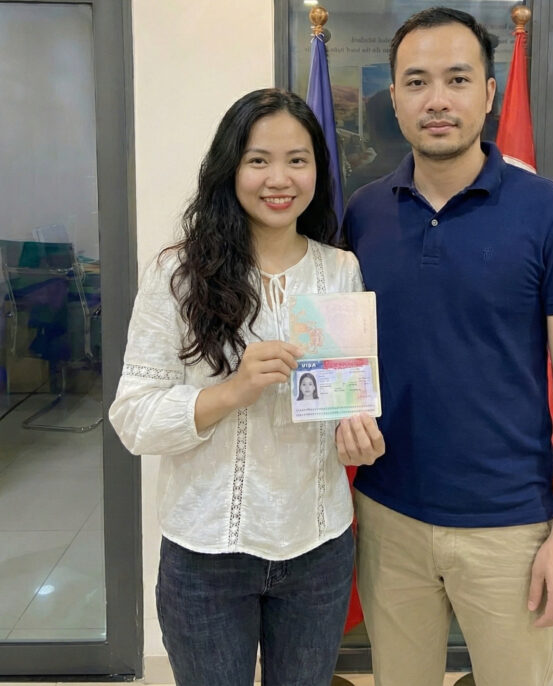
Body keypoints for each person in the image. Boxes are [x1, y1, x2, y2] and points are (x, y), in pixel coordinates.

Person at [340, 8, 553, 686]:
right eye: (417, 82)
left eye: (457, 79)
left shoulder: (551, 214)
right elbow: (342, 353)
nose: (437, 99)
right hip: (388, 514)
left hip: (509, 525)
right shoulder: (363, 214)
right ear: (394, 98)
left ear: (488, 93)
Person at [109, 88, 383, 686]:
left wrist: (357, 432)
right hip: (206, 553)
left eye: (297, 160)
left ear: (318, 170)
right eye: (258, 160)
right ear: (229, 168)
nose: (279, 179)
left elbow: (343, 399)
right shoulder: (178, 274)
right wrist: (232, 391)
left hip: (318, 546)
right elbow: (133, 418)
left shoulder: (341, 270)